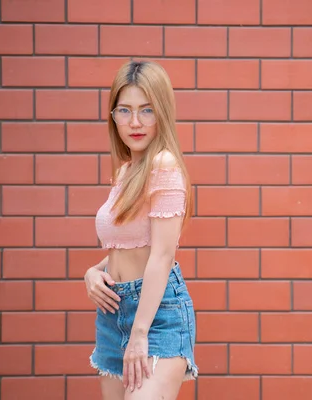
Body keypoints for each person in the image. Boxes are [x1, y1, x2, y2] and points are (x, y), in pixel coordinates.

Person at [84, 60, 198, 400]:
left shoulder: (163, 165)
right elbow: (128, 246)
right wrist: (94, 272)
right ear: (113, 115)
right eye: (125, 110)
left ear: (162, 112)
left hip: (155, 315)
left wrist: (139, 333)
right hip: (112, 314)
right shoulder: (125, 173)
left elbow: (162, 256)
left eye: (146, 110)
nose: (135, 122)